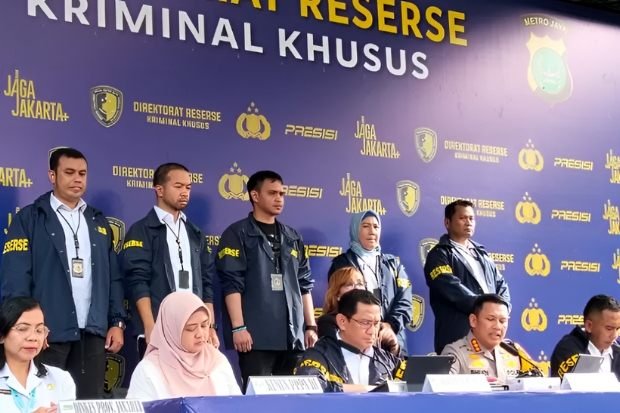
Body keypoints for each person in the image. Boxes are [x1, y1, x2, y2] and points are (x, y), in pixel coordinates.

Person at [0, 147, 126, 399]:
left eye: (82, 173)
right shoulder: (30, 218)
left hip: (92, 334)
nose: (77, 179)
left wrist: (117, 322)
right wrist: (30, 329)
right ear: (52, 175)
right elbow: (16, 279)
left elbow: (112, 278)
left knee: (88, 404)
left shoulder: (98, 221)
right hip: (48, 333)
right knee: (46, 403)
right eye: (69, 172)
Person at [216, 170, 317, 389]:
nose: (279, 198)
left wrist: (311, 326)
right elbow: (232, 284)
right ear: (255, 195)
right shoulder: (237, 233)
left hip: (292, 337)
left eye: (282, 193)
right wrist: (238, 328)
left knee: (291, 400)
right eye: (272, 193)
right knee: (257, 399)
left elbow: (304, 284)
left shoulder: (292, 236)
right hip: (255, 338)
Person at [122, 163, 218, 353]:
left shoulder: (195, 233)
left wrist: (210, 327)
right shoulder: (141, 230)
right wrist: (150, 326)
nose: (185, 192)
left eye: (188, 187)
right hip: (159, 328)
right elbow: (138, 282)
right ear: (159, 190)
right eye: (178, 186)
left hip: (194, 330)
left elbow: (207, 283)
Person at [424, 199, 510, 354]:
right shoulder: (439, 254)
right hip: (457, 338)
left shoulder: (482, 254)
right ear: (447, 222)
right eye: (463, 218)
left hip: (488, 340)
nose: (468, 222)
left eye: (471, 218)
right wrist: (484, 308)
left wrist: (502, 309)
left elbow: (501, 284)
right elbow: (450, 287)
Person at [126, 291, 241, 400]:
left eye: (204, 325)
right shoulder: (149, 370)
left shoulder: (217, 361)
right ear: (172, 330)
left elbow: (237, 405)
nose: (200, 334)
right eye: (191, 328)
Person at [328, 210, 412, 354]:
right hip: (357, 341)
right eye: (365, 226)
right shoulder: (341, 263)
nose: (372, 231)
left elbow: (405, 301)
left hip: (391, 340)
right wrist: (367, 325)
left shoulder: (393, 264)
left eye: (376, 226)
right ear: (355, 229)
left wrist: (390, 326)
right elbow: (339, 302)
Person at [294, 289, 405, 392]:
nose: (372, 331)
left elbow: (411, 386)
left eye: (376, 324)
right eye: (365, 323)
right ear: (342, 321)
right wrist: (368, 391)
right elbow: (309, 386)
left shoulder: (387, 361)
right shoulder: (318, 355)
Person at [441, 294, 539, 384]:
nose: (497, 326)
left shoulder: (514, 351)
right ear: (473, 320)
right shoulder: (455, 352)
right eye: (491, 319)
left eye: (502, 321)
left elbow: (537, 383)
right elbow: (443, 387)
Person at [0, 297, 75, 413]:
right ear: (2, 336)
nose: (33, 337)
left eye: (39, 330)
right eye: (22, 329)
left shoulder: (61, 379)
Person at [318, 267, 399, 355]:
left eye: (360, 284)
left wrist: (394, 347)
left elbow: (393, 361)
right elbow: (338, 354)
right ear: (337, 294)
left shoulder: (377, 321)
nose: (356, 288)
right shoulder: (327, 322)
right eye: (349, 285)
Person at [551, 294, 620, 379]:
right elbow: (573, 386)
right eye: (609, 328)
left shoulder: (617, 350)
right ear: (589, 326)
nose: (615, 335)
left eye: (618, 328)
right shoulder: (567, 350)